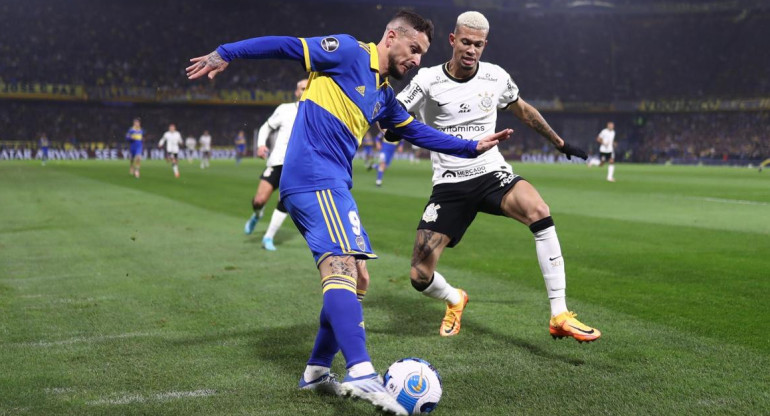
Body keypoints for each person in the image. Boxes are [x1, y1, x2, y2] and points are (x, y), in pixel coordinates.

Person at [186, 10, 512, 415]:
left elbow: (416, 131)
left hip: (334, 184)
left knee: (357, 278)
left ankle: (317, 372)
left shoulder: (383, 94)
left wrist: (471, 146)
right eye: (414, 49)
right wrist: (224, 53)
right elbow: (286, 45)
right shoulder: (346, 51)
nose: (416, 60)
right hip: (313, 177)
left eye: (423, 54)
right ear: (391, 36)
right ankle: (360, 371)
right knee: (340, 268)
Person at [392, 11, 600, 342]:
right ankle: (455, 299)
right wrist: (394, 128)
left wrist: (560, 143)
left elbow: (525, 111)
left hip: (491, 173)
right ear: (452, 40)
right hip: (449, 185)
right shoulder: (428, 80)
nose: (471, 49)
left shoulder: (496, 77)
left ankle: (559, 313)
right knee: (419, 275)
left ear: (484, 45)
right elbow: (396, 112)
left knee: (539, 210)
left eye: (477, 44)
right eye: (465, 42)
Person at [244, 78, 309, 252]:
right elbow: (266, 127)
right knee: (259, 200)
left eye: (308, 88)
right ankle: (257, 215)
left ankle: (268, 237)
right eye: (302, 88)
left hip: (297, 167)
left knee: (285, 201)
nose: (305, 91)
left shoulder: (317, 114)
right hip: (277, 162)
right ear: (296, 92)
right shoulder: (284, 109)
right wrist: (260, 145)